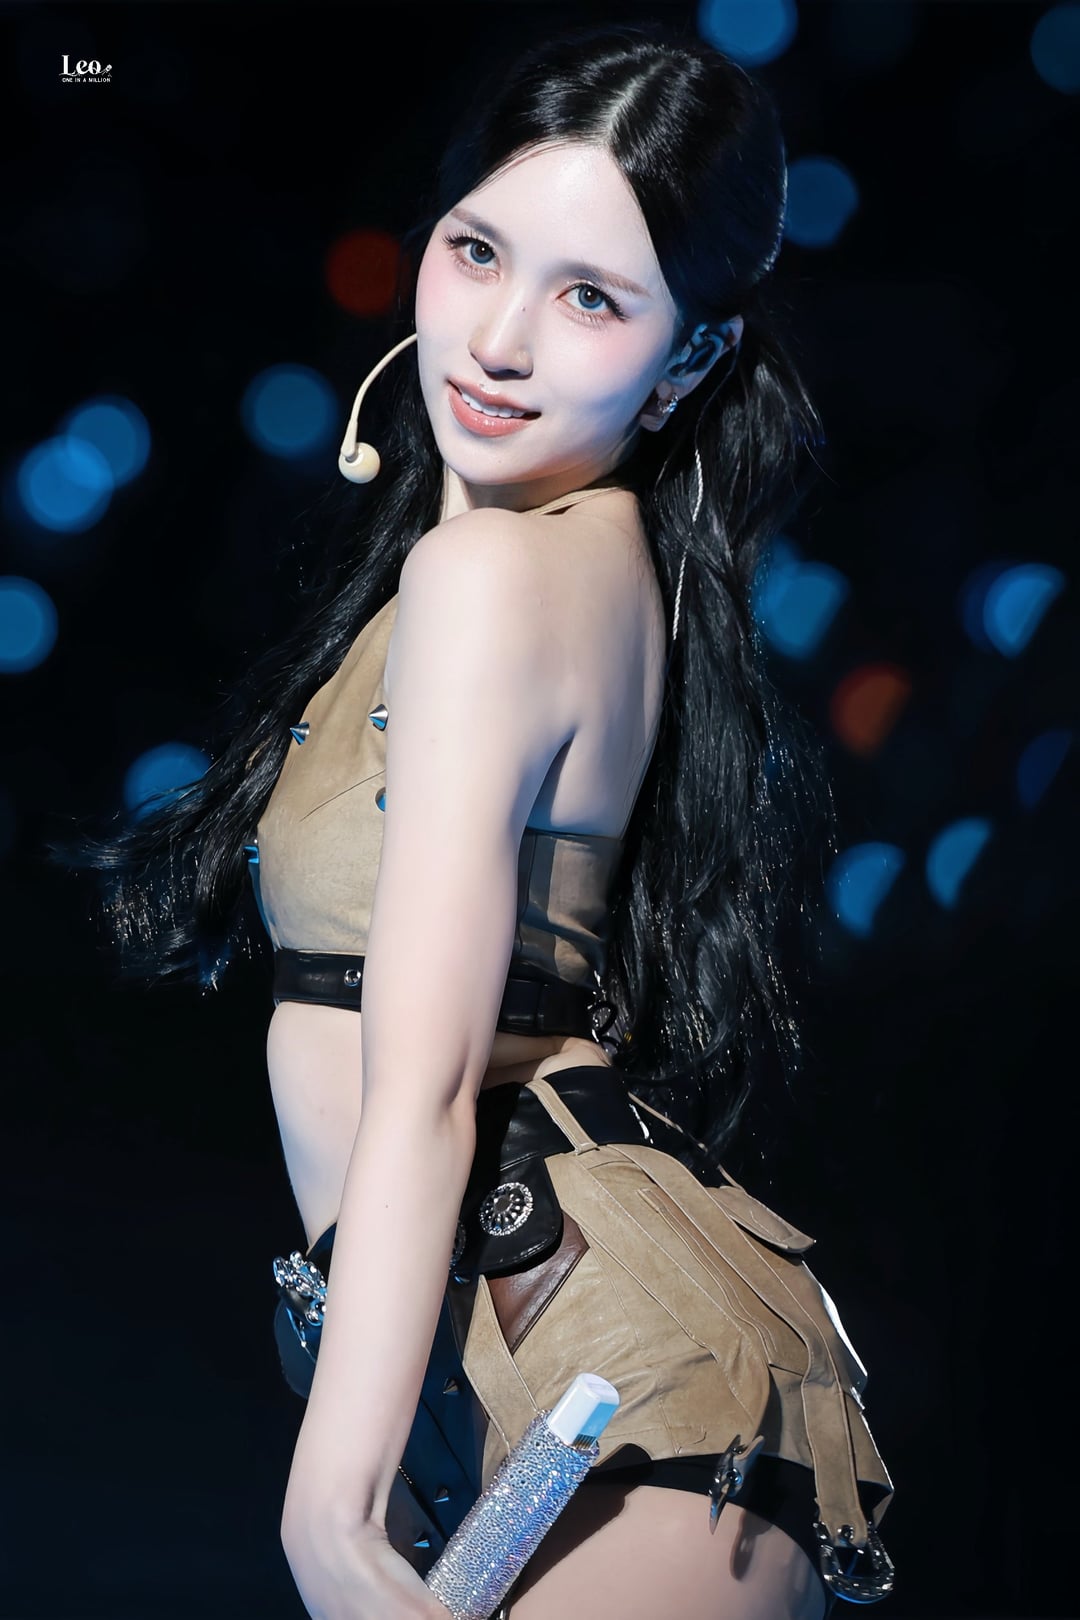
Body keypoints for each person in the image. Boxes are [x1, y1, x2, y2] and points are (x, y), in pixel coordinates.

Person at [80, 25, 894, 1620]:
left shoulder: (493, 577)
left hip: (599, 1381)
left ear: (689, 361)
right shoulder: (579, 563)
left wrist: (331, 1512)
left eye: (592, 297)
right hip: (564, 1379)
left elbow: (432, 1080)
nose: (500, 339)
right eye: (476, 251)